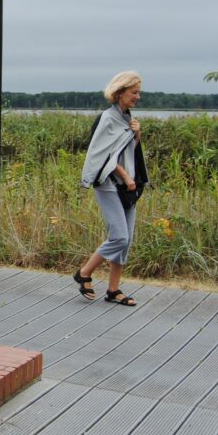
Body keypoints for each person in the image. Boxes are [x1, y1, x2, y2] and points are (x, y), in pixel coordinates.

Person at [75, 70, 146, 306]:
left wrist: (137, 134)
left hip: (129, 186)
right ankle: (84, 273)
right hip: (109, 184)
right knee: (119, 236)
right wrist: (125, 176)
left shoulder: (126, 118)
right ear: (119, 93)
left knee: (126, 240)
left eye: (138, 92)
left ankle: (113, 290)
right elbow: (102, 155)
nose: (138, 97)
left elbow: (127, 151)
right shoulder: (108, 118)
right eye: (134, 92)